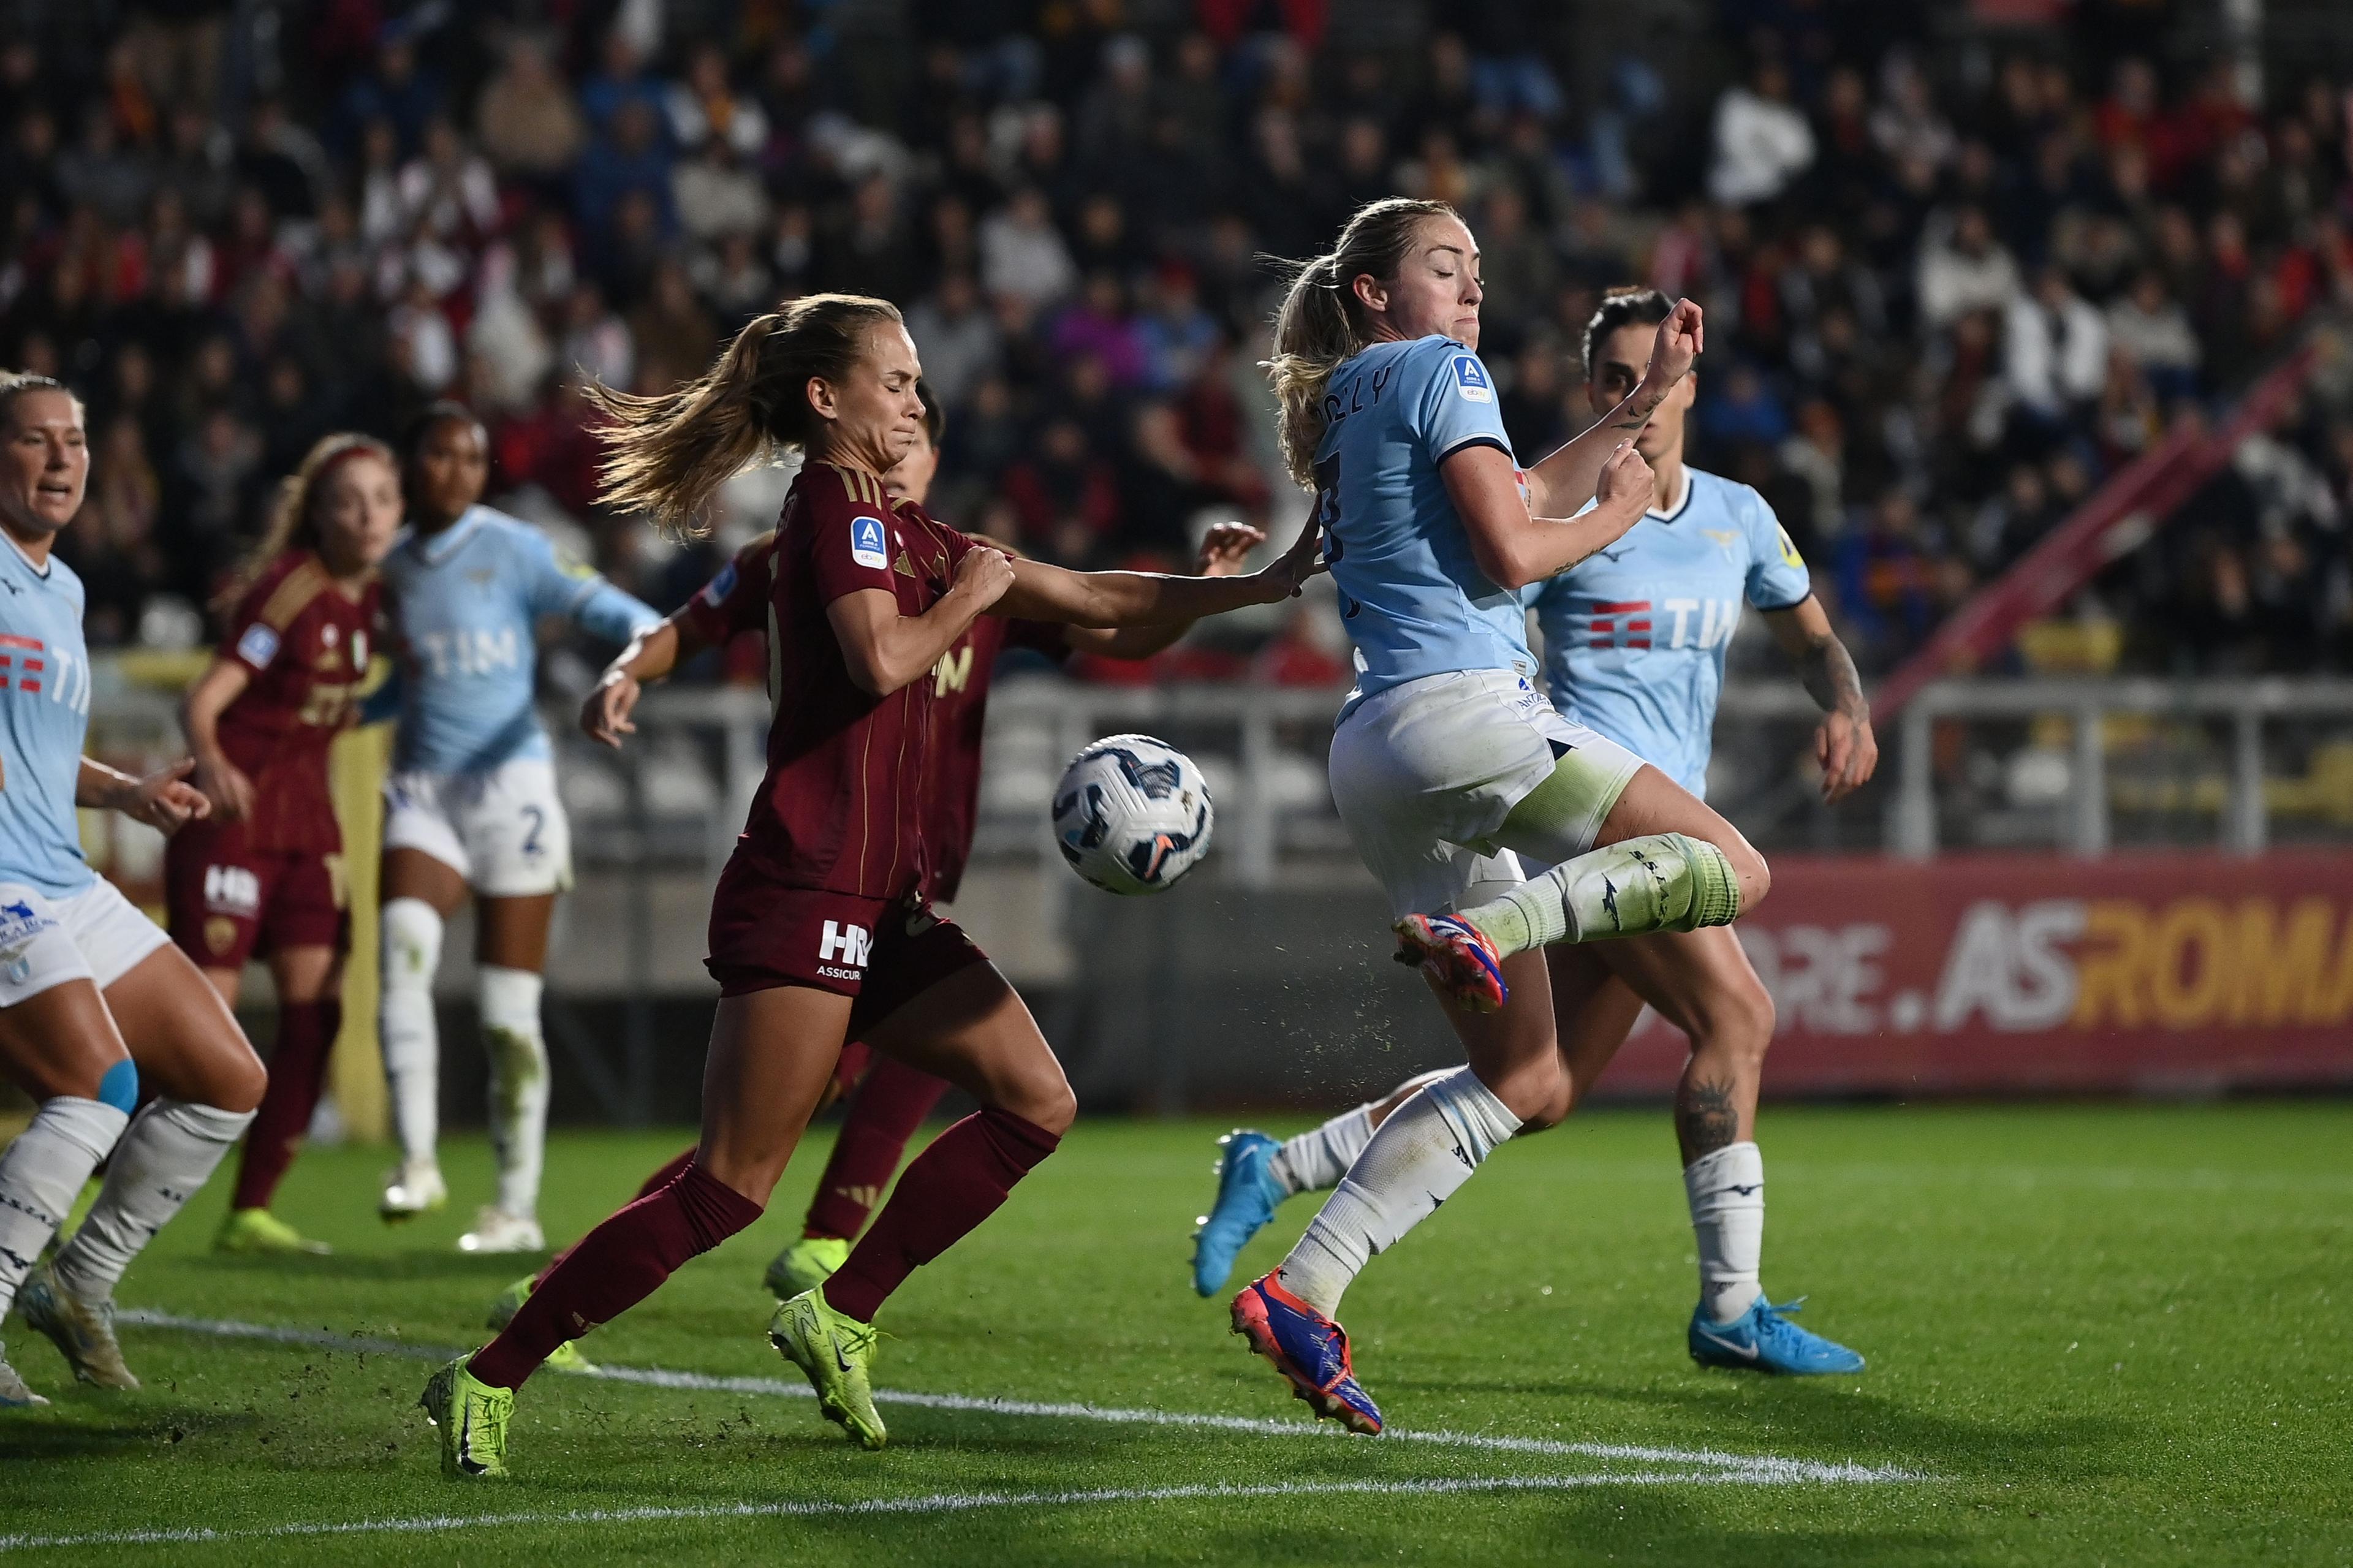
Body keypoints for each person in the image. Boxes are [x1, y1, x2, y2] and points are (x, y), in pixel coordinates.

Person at [417, 292, 1318, 1479]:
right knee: (728, 1190)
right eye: (893, 378)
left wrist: (1259, 588)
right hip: (808, 890)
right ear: (826, 398)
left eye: (915, 380)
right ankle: (486, 1375)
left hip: (890, 905)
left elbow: (1103, 604)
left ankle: (839, 1307)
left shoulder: (932, 541)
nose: (911, 395)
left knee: (1038, 1103)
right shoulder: (832, 509)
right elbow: (883, 655)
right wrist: (973, 598)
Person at [1193, 287, 1875, 1377]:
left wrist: (1844, 703)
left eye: (1649, 378)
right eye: (1610, 380)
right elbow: (1465, 559)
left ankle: (1280, 1176)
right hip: (1563, 810)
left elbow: (1812, 634)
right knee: (1739, 1015)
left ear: (1688, 384)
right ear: (1591, 387)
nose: (1631, 399)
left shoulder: (1738, 518)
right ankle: (1732, 1308)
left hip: (1647, 842)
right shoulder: (1566, 509)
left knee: (1539, 1088)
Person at [0, 372, 267, 1404]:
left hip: (59, 872)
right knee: (96, 1083)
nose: (64, 459)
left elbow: (39, 747)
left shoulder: (59, 588)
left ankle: (80, 1284)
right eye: (34, 441)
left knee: (227, 1078)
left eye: (74, 440)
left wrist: (128, 794)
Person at [372, 403, 662, 1254]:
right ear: (411, 463)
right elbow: (405, 684)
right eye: (438, 453)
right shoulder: (385, 568)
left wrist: (624, 673)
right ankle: (418, 1160)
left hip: (513, 790)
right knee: (400, 954)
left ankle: (514, 1207)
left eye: (471, 457)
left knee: (506, 1014)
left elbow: (630, 618)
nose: (455, 470)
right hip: (424, 792)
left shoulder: (516, 549)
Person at [170, 434, 400, 1257]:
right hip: (236, 820)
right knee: (199, 1024)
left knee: (317, 1015)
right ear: (320, 515)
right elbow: (206, 700)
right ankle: (85, 1179)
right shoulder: (290, 590)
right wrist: (216, 761)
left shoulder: (378, 599)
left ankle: (250, 1210)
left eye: (381, 498)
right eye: (349, 500)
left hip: (308, 831)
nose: (367, 515)